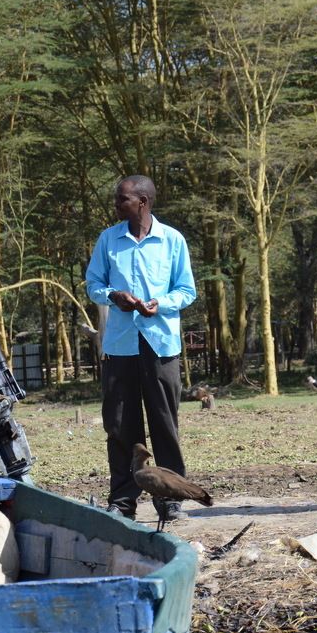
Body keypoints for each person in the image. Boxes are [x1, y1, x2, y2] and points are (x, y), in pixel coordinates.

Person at [86, 175, 197, 523]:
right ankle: (122, 500)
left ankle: (170, 499)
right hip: (120, 347)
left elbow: (186, 290)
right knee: (120, 425)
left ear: (143, 202)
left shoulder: (173, 241)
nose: (117, 205)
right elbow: (93, 283)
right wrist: (113, 297)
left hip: (160, 344)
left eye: (122, 199)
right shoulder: (108, 240)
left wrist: (160, 304)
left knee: (164, 423)